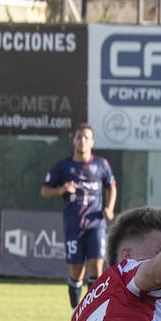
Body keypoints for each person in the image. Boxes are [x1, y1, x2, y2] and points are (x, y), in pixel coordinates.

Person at [41, 124, 117, 309]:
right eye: (79, 137)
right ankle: (76, 313)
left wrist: (110, 207)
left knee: (97, 268)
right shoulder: (64, 166)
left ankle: (92, 314)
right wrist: (61, 189)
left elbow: (112, 186)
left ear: (92, 141)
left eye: (86, 137)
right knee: (76, 270)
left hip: (96, 223)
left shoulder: (101, 164)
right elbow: (44, 190)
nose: (82, 140)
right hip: (74, 223)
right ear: (73, 141)